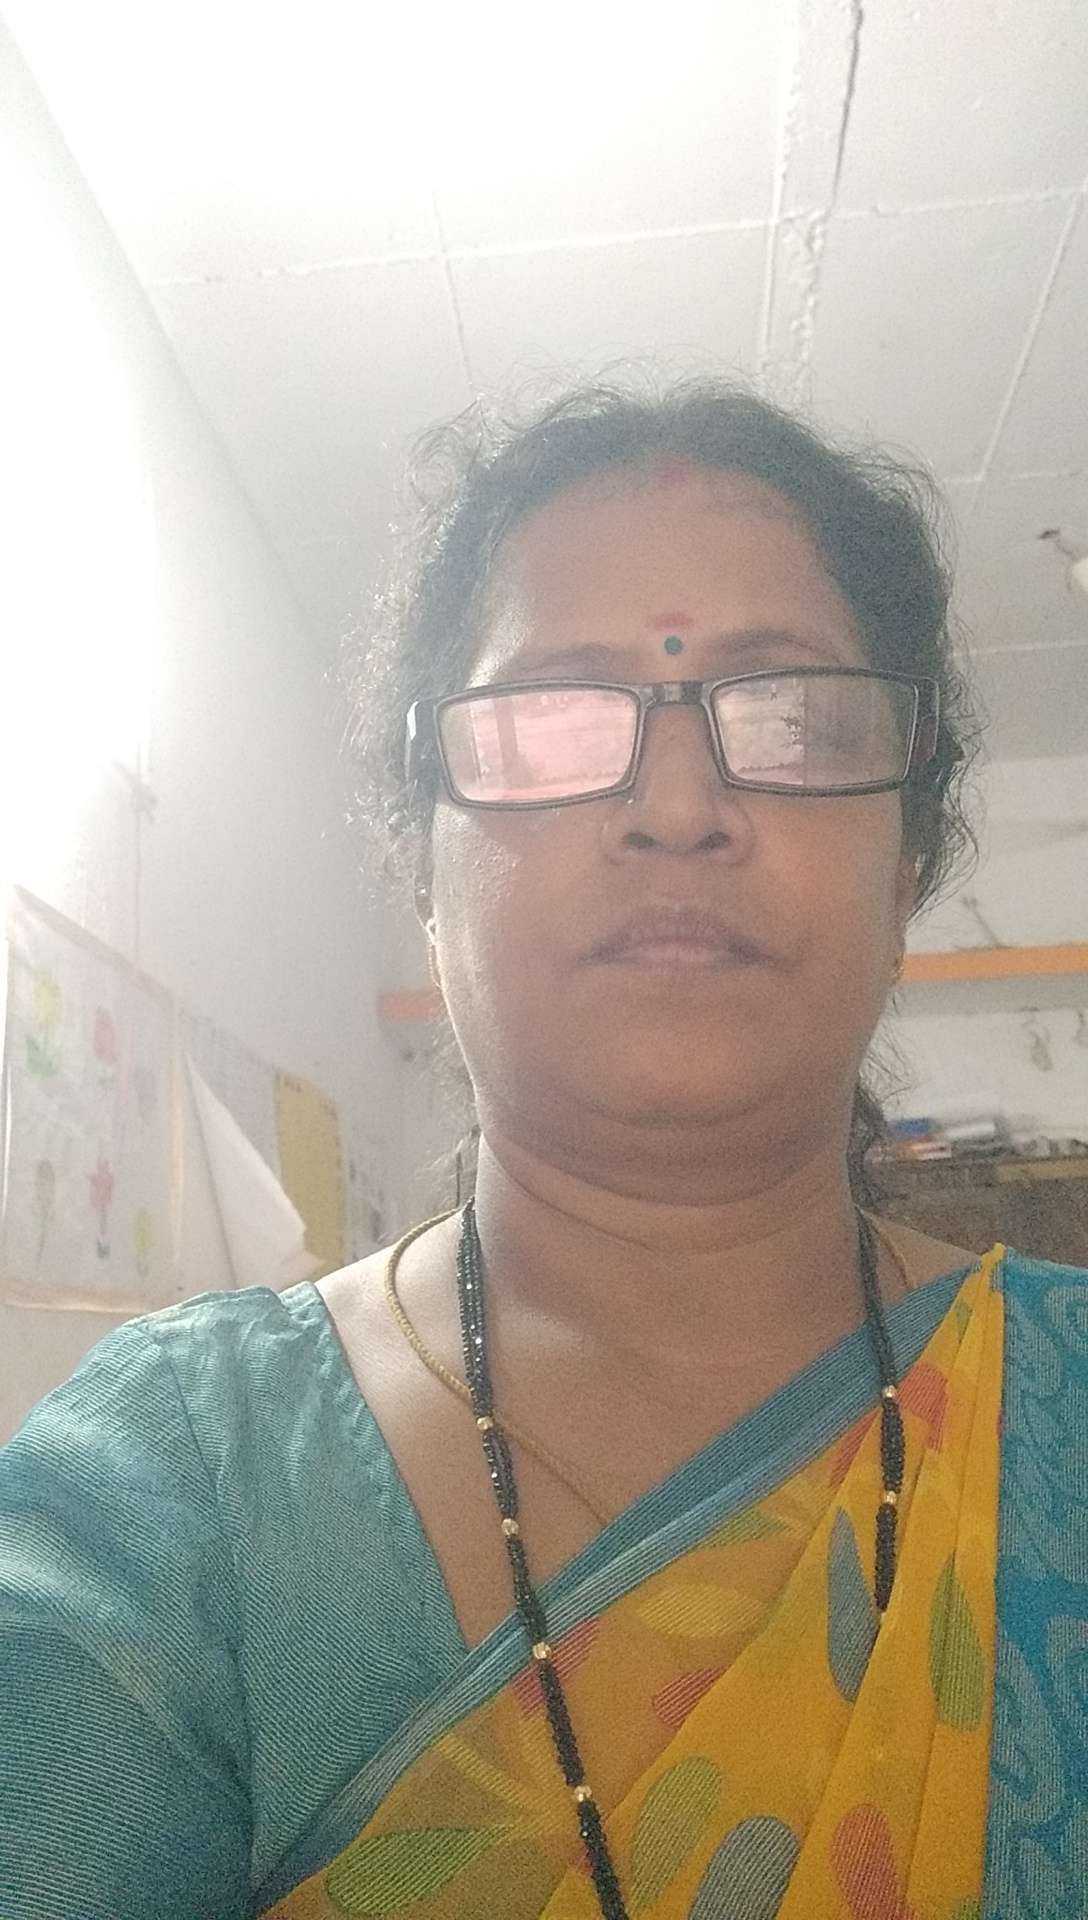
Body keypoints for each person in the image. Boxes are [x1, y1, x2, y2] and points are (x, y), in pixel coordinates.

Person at [1, 378, 1085, 1920]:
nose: (679, 807)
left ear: (908, 856)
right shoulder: (179, 1488)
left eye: (790, 717)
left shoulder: (1064, 1412)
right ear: (419, 863)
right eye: (552, 717)